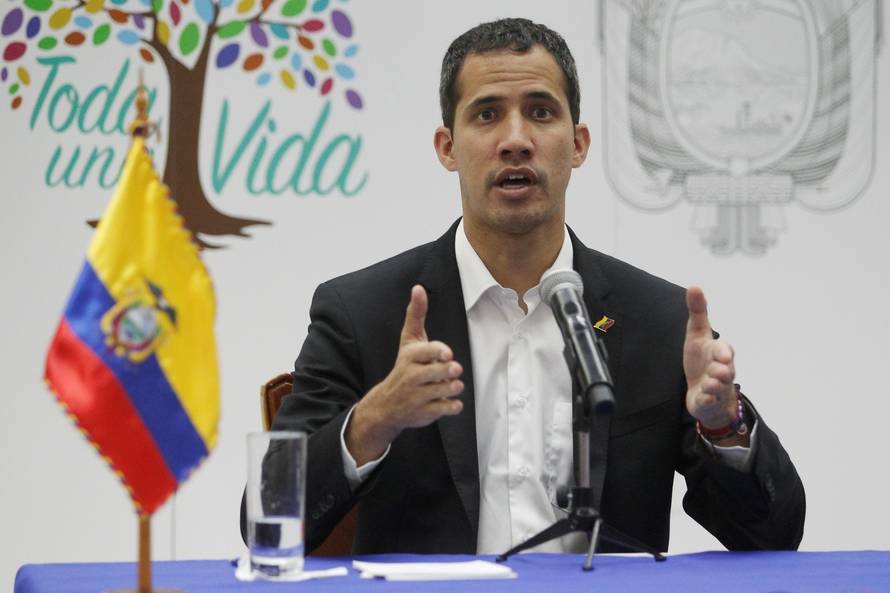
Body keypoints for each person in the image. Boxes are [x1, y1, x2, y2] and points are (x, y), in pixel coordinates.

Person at [250, 18, 805, 555]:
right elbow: (263, 522)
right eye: (487, 114)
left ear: (579, 143)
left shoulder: (658, 321)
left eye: (540, 113)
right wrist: (374, 421)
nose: (515, 140)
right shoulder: (363, 313)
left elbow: (773, 535)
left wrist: (725, 429)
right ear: (447, 147)